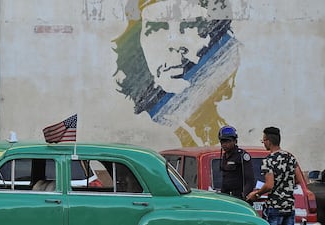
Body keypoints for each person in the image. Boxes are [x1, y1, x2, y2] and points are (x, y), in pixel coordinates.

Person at [113, 0, 241, 147]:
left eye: (190, 25)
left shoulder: (217, 131)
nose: (173, 44)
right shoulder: (146, 127)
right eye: (156, 28)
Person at [246, 126, 304, 225]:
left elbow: (269, 185)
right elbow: (299, 179)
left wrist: (256, 194)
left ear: (269, 141)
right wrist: (284, 184)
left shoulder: (268, 160)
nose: (263, 143)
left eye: (263, 140)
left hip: (275, 207)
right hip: (289, 207)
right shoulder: (290, 157)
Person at [218, 125, 255, 201]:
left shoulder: (242, 156)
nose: (224, 144)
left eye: (228, 141)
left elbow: (250, 180)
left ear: (235, 141)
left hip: (239, 198)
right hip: (227, 197)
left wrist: (243, 196)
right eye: (222, 141)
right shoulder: (224, 156)